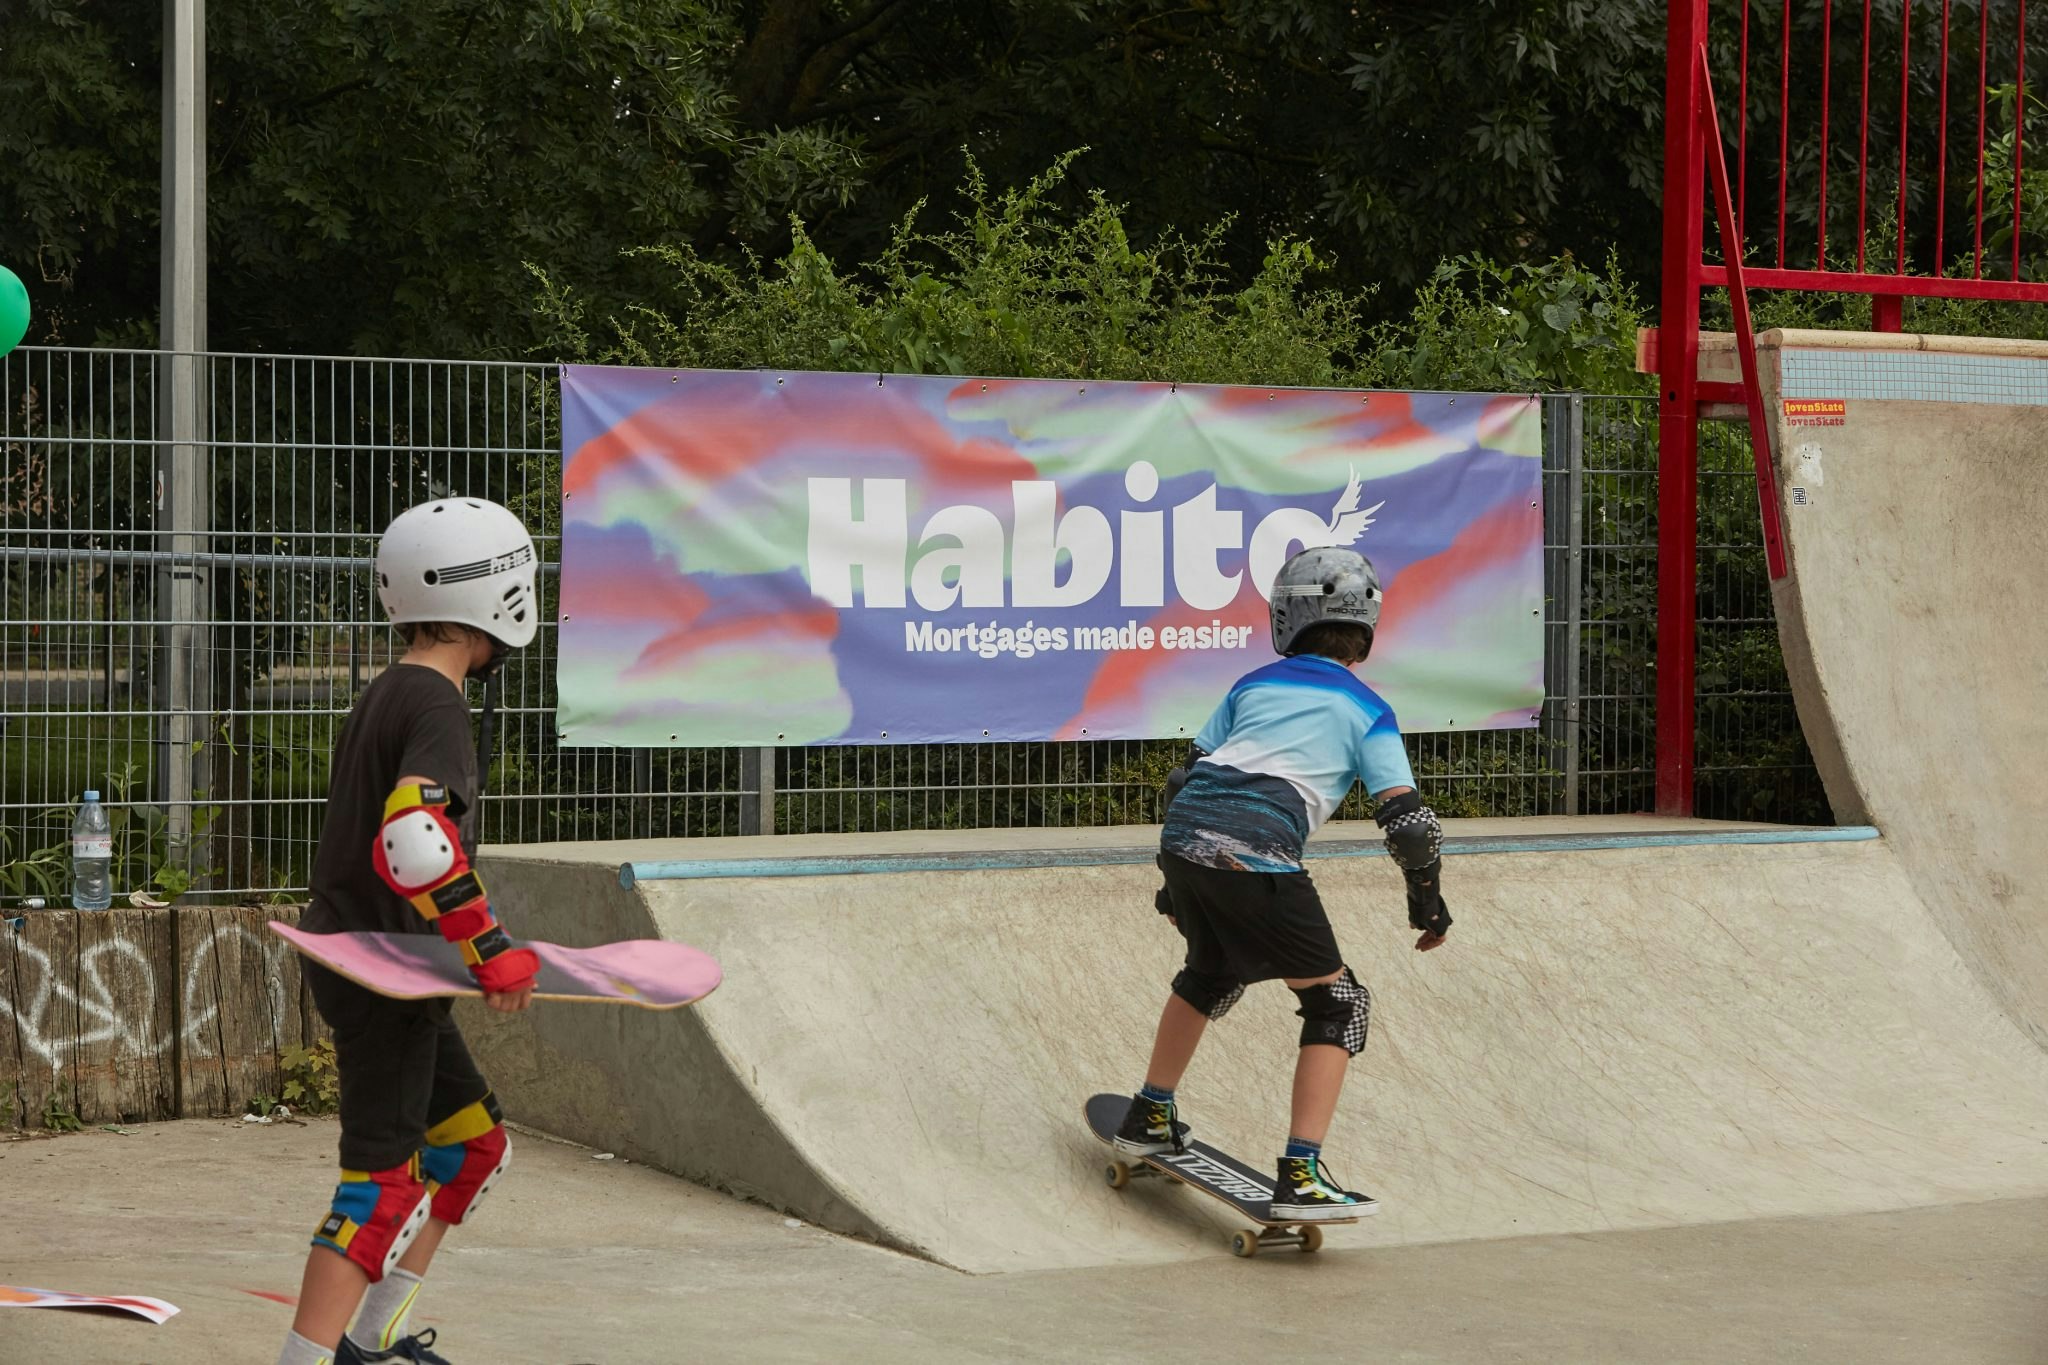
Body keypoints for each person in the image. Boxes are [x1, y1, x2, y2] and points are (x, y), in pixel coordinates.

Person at [276, 498, 545, 1365]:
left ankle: (368, 1339)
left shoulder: (392, 688)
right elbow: (413, 837)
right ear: (499, 593)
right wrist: (489, 947)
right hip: (385, 976)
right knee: (380, 1190)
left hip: (380, 963)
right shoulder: (437, 705)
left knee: (473, 1146)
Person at [1114, 546, 1453, 1220]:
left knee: (1211, 970)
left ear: (1286, 618)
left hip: (1186, 837)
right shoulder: (1368, 708)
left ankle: (1150, 1111)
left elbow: (1186, 778)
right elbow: (1409, 822)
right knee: (1340, 1003)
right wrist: (1427, 900)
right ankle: (1300, 1171)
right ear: (1366, 627)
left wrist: (1172, 884)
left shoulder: (1253, 685)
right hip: (1259, 852)